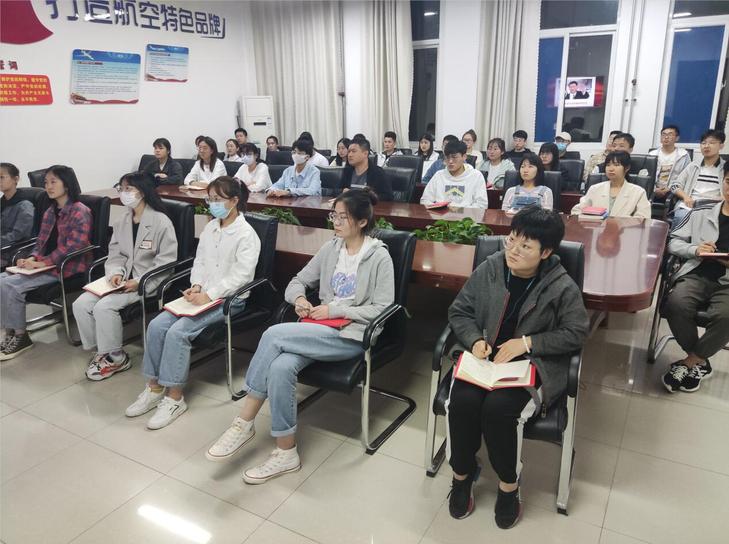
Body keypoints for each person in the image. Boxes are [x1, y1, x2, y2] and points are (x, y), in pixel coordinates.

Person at [205, 188, 394, 484]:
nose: (335, 222)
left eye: (342, 217)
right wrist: (299, 300)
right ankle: (286, 452)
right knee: (281, 367)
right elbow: (297, 281)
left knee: (273, 335)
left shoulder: (379, 256)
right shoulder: (331, 248)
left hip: (353, 335)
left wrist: (332, 309)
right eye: (334, 216)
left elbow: (382, 308)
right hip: (320, 329)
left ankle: (244, 421)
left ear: (361, 221)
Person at [446, 206, 588, 528]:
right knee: (463, 403)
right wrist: (474, 340)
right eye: (512, 240)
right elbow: (460, 311)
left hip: (530, 364)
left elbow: (577, 332)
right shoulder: (491, 267)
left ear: (545, 252)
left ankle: (509, 485)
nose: (513, 250)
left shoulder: (560, 285)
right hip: (483, 358)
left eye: (525, 246)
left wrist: (527, 343)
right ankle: (461, 475)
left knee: (498, 410)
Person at [125, 177, 260, 429]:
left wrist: (209, 294)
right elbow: (199, 261)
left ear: (234, 201)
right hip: (201, 295)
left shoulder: (246, 235)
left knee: (178, 332)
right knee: (156, 325)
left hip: (229, 300)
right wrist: (197, 285)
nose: (212, 204)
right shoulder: (210, 228)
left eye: (218, 199)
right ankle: (154, 388)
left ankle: (175, 398)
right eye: (210, 199)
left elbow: (241, 277)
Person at [72, 172, 177, 381]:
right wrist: (115, 273)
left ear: (143, 191)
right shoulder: (122, 220)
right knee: (80, 304)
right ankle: (102, 351)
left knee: (104, 307)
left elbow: (166, 261)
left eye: (128, 188)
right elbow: (115, 254)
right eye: (121, 188)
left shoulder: (161, 222)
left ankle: (117, 357)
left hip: (146, 280)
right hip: (120, 280)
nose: (123, 193)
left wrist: (138, 281)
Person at [0, 166, 92, 360]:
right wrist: (33, 258)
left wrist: (44, 263)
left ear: (67, 185)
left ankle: (21, 336)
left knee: (13, 286)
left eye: (53, 182)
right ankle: (10, 332)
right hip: (46, 264)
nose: (48, 187)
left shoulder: (80, 211)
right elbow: (40, 242)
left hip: (66, 267)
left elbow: (73, 247)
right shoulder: (51, 211)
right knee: (2, 279)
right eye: (46, 182)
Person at [661, 165, 729, 393]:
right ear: (723, 181)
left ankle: (690, 362)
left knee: (726, 315)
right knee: (676, 304)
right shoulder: (702, 210)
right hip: (697, 273)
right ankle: (700, 360)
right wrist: (695, 249)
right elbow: (674, 242)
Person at [670, 130, 725, 227]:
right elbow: (675, 185)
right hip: (690, 205)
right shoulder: (693, 166)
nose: (706, 146)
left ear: (721, 146)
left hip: (714, 207)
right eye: (703, 143)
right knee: (681, 217)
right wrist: (686, 197)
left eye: (712, 143)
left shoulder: (725, 168)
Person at [572, 151, 651, 219]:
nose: (611, 169)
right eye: (608, 165)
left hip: (624, 231)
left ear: (627, 168)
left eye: (616, 165)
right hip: (597, 230)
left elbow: (644, 218)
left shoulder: (638, 192)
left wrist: (620, 222)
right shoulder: (595, 189)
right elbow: (577, 211)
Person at [420, 140, 488, 208]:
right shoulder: (439, 175)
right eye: (447, 157)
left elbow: (482, 205)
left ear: (464, 157)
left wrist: (459, 210)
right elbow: (425, 200)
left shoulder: (476, 176)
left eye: (454, 157)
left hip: (467, 214)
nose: (450, 161)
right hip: (440, 214)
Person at [650, 125, 690, 201]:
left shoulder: (683, 155)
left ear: (677, 138)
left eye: (670, 134)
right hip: (653, 190)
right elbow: (646, 176)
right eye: (663, 134)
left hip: (674, 192)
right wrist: (654, 189)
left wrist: (670, 188)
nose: (666, 137)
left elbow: (686, 177)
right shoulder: (652, 155)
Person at [0, 163, 34, 250]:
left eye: (1, 177)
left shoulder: (25, 205)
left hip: (13, 250)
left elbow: (18, 236)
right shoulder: (2, 202)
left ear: (16, 179)